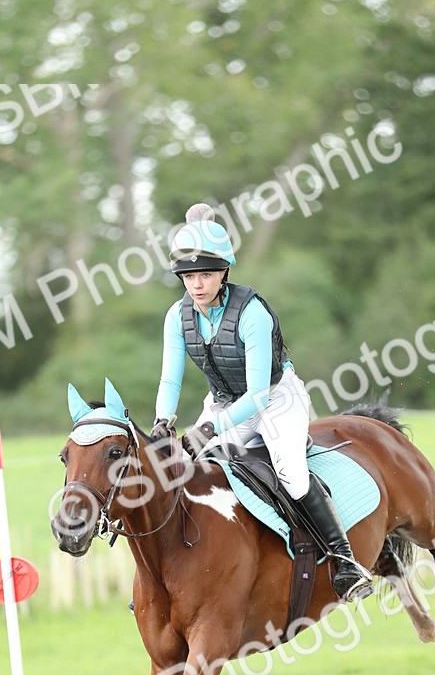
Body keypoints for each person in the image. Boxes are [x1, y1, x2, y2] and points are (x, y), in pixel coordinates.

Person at [150, 203, 373, 602]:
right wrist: (162, 421)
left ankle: (345, 562)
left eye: (206, 274)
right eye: (189, 276)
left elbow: (257, 396)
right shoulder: (176, 316)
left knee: (292, 475)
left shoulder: (252, 312)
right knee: (192, 470)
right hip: (222, 402)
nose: (197, 285)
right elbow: (170, 377)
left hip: (274, 399)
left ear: (224, 273)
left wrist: (208, 428)